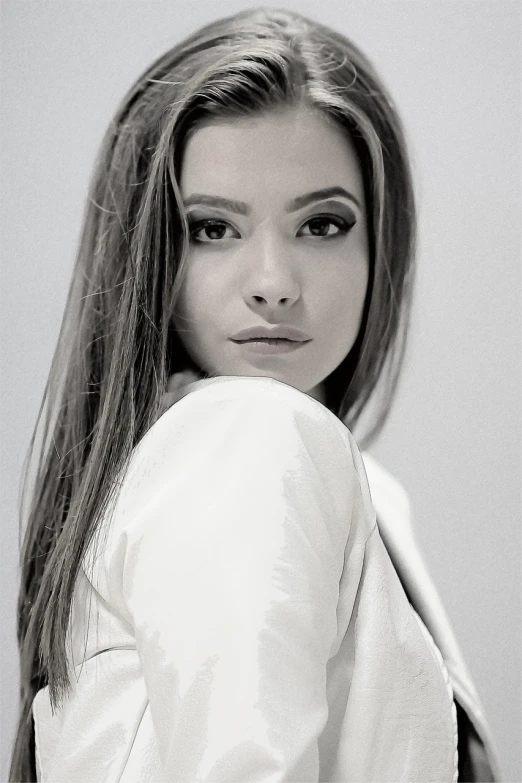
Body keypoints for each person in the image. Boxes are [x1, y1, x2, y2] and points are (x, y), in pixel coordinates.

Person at [8, 7, 503, 782]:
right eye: (212, 229)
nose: (273, 284)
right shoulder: (250, 437)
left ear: (382, 240)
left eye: (322, 224)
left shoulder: (348, 487)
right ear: (149, 253)